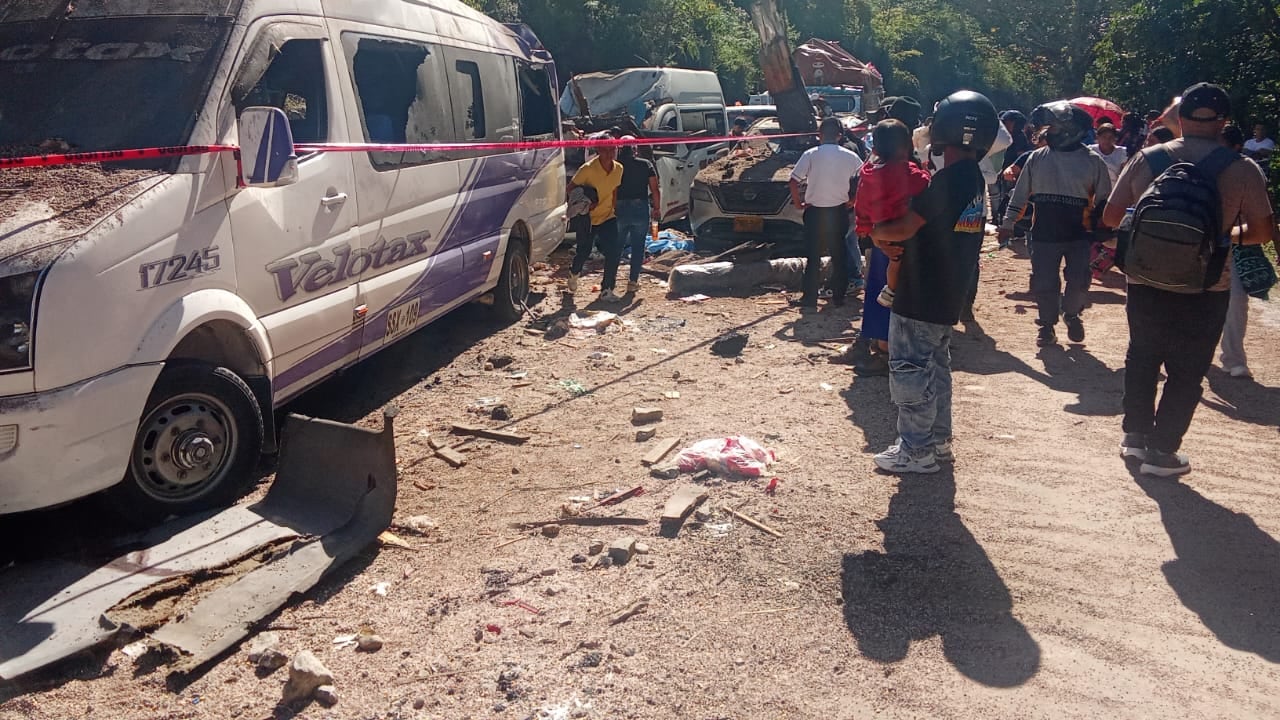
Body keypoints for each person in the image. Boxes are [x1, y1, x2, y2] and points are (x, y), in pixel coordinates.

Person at [1103, 82, 1275, 477]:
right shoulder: (1242, 168)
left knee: (1143, 355)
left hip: (1146, 277)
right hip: (1208, 282)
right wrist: (1220, 235)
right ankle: (1163, 453)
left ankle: (1134, 438)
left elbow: (1111, 218)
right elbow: (1262, 232)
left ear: (1179, 119)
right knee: (1188, 367)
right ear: (1224, 122)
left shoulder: (1147, 158)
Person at [869, 90, 998, 474]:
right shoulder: (973, 178)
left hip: (921, 293)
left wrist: (878, 234)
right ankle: (938, 442)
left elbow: (907, 226)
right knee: (937, 369)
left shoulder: (949, 180)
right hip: (947, 292)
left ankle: (916, 450)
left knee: (910, 371)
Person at [1000, 102, 1112, 346]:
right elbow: (1020, 195)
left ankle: (1072, 315)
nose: (1047, 133)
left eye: (1053, 129)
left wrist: (1107, 231)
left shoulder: (1094, 162)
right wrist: (1008, 223)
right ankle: (1047, 325)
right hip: (1044, 233)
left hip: (1080, 235)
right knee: (1044, 282)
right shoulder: (1036, 158)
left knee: (1079, 280)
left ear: (1071, 130)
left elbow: (1104, 203)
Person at [789, 116, 864, 311]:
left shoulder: (811, 154)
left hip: (814, 212)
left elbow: (793, 181)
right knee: (838, 255)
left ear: (819, 135)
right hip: (839, 212)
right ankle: (838, 297)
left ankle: (809, 299)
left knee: (812, 257)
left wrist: (798, 202)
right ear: (839, 136)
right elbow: (865, 176)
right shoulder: (850, 156)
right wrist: (854, 199)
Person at [855, 120, 931, 308]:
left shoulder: (868, 174)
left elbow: (861, 203)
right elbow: (922, 183)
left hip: (878, 224)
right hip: (899, 223)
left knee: (893, 260)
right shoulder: (904, 171)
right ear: (906, 145)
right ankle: (890, 292)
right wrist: (927, 172)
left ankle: (889, 291)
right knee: (899, 261)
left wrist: (865, 227)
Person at [567, 137, 624, 302]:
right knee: (583, 252)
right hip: (588, 218)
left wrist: (614, 208)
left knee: (614, 252)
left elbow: (614, 190)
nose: (609, 154)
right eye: (605, 150)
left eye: (612, 150)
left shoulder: (619, 169)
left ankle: (607, 289)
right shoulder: (588, 169)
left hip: (608, 216)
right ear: (598, 150)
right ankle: (574, 272)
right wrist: (584, 200)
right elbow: (570, 189)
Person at [614, 137, 661, 295]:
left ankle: (610, 282)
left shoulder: (615, 165)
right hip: (640, 207)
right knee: (638, 246)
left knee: (617, 246)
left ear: (620, 149)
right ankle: (633, 281)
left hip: (619, 208)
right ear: (635, 149)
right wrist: (657, 208)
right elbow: (655, 189)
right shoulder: (645, 164)